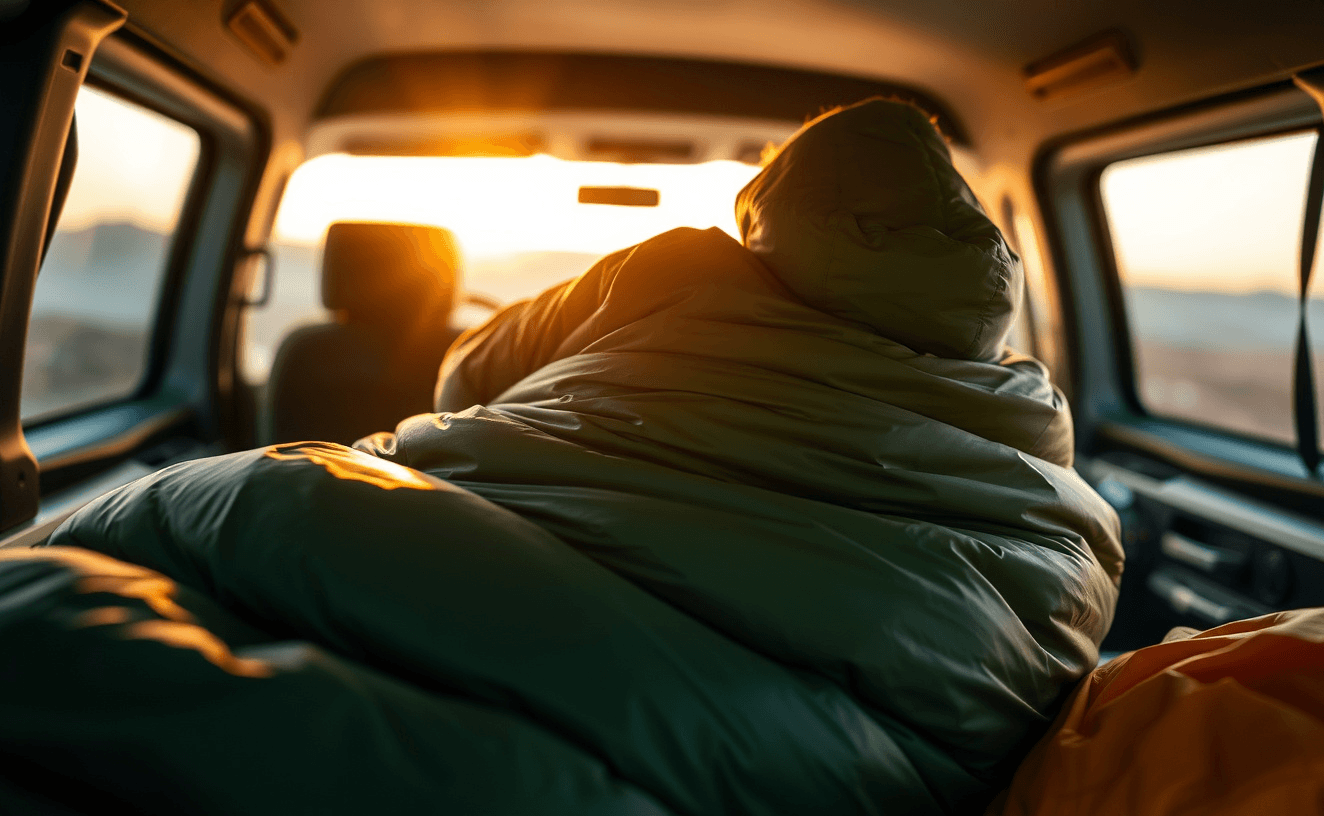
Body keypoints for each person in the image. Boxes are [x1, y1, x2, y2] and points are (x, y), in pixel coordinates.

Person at [20, 98, 1123, 815]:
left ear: (774, 211)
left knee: (194, 546)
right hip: (802, 777)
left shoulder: (680, 269)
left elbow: (464, 383)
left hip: (396, 562)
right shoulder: (1039, 437)